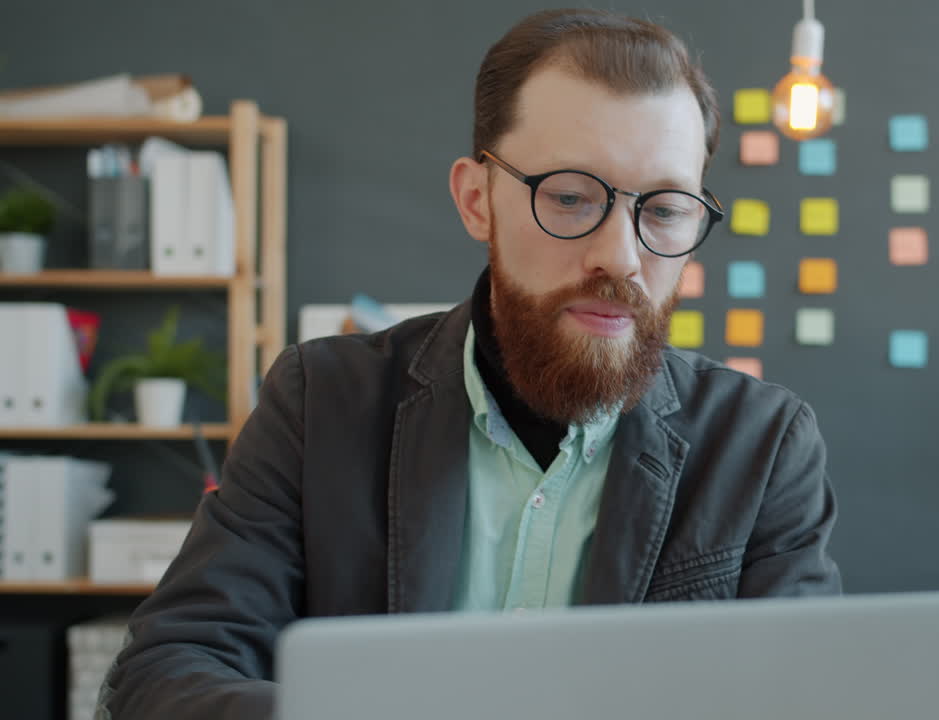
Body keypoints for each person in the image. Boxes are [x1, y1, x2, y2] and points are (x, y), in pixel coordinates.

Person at [100, 8, 841, 719]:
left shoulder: (764, 446)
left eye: (667, 210)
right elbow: (166, 674)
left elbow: (813, 701)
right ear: (477, 199)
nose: (620, 256)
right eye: (572, 197)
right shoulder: (320, 402)